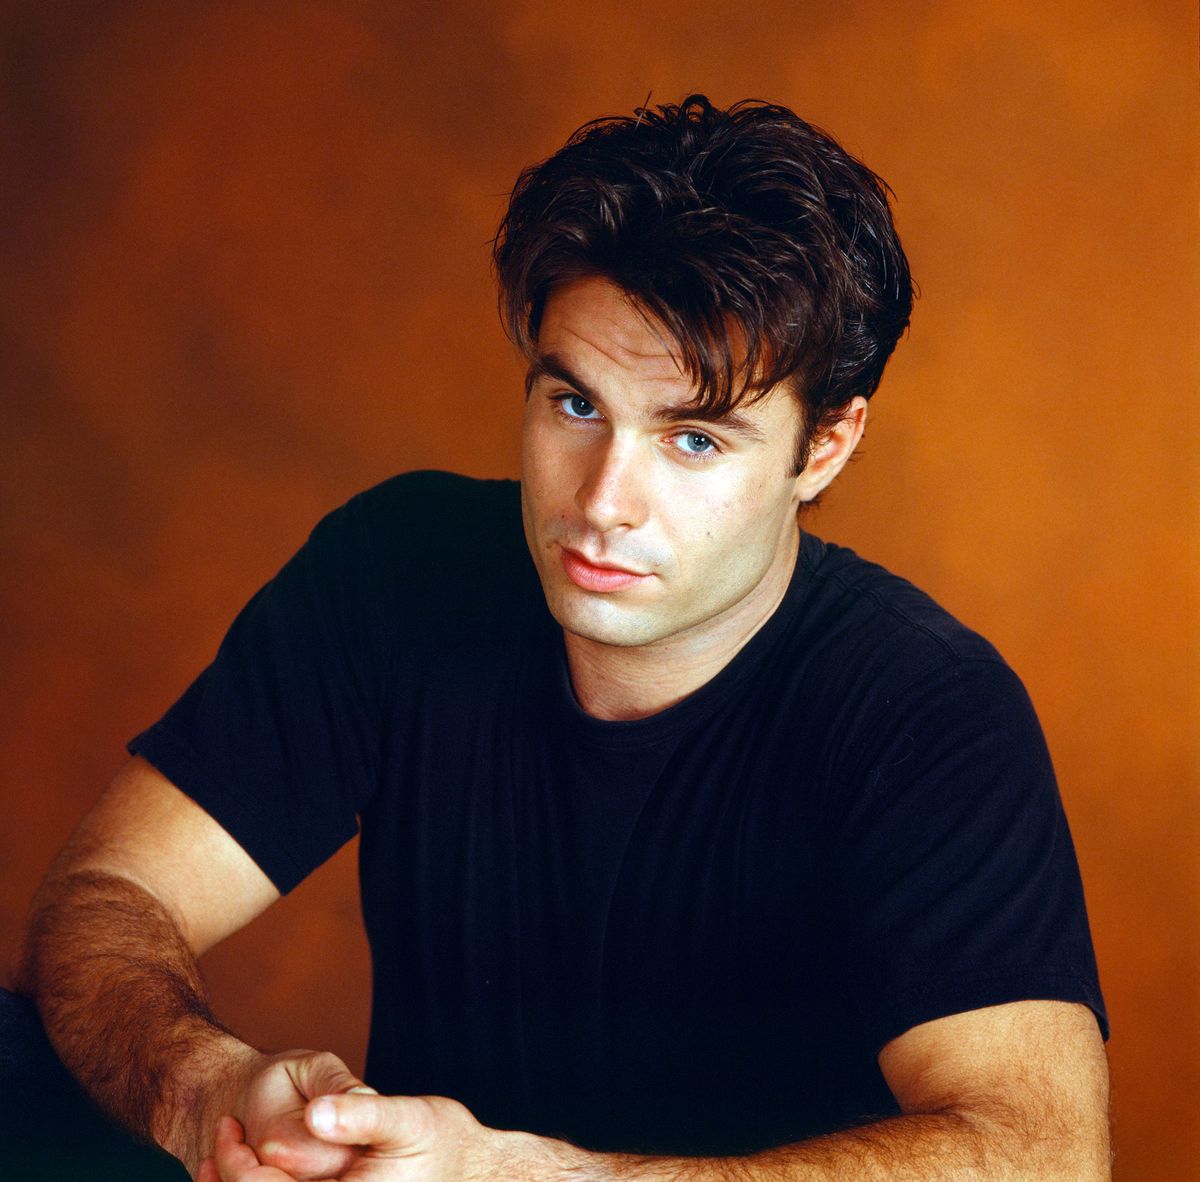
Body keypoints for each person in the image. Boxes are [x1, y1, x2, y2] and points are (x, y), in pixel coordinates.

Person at [19, 94, 1111, 1181]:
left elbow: (1045, 1154)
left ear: (823, 447)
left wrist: (526, 1178)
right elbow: (107, 898)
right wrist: (203, 1088)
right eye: (576, 406)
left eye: (693, 439)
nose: (601, 503)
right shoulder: (401, 570)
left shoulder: (926, 709)